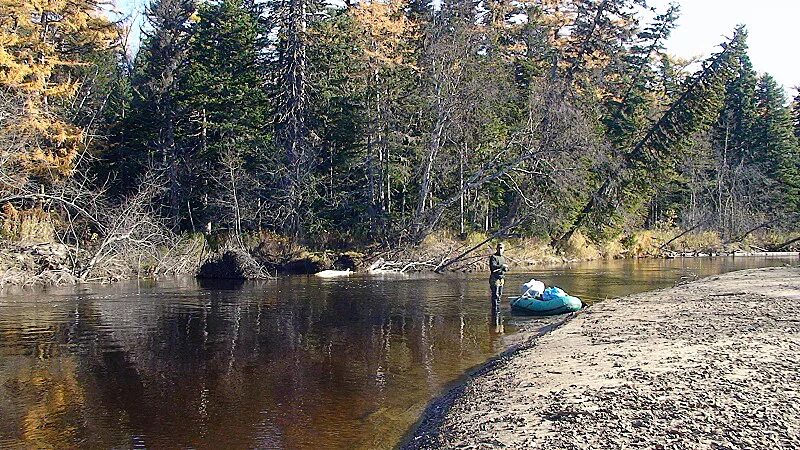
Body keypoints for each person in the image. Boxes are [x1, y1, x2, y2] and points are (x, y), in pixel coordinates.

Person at [489, 242, 509, 318]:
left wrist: (506, 268)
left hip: (501, 279)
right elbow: (493, 267)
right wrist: (502, 266)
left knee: (499, 296)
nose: (500, 250)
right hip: (495, 279)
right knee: (495, 295)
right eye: (499, 248)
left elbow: (503, 268)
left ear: (503, 249)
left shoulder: (502, 258)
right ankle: (494, 312)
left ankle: (498, 312)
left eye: (501, 248)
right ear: (496, 249)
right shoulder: (493, 257)